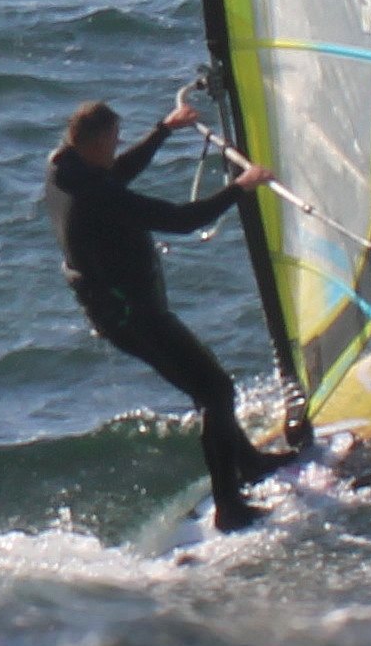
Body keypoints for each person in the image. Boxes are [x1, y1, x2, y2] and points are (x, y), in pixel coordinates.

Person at [50, 91, 313, 527]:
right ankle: (229, 507)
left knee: (205, 387)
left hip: (118, 311)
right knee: (217, 392)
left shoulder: (65, 169)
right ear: (95, 143)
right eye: (114, 140)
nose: (117, 147)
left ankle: (248, 463)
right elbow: (182, 220)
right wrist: (240, 188)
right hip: (134, 318)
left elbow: (115, 173)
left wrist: (164, 131)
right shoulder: (97, 196)